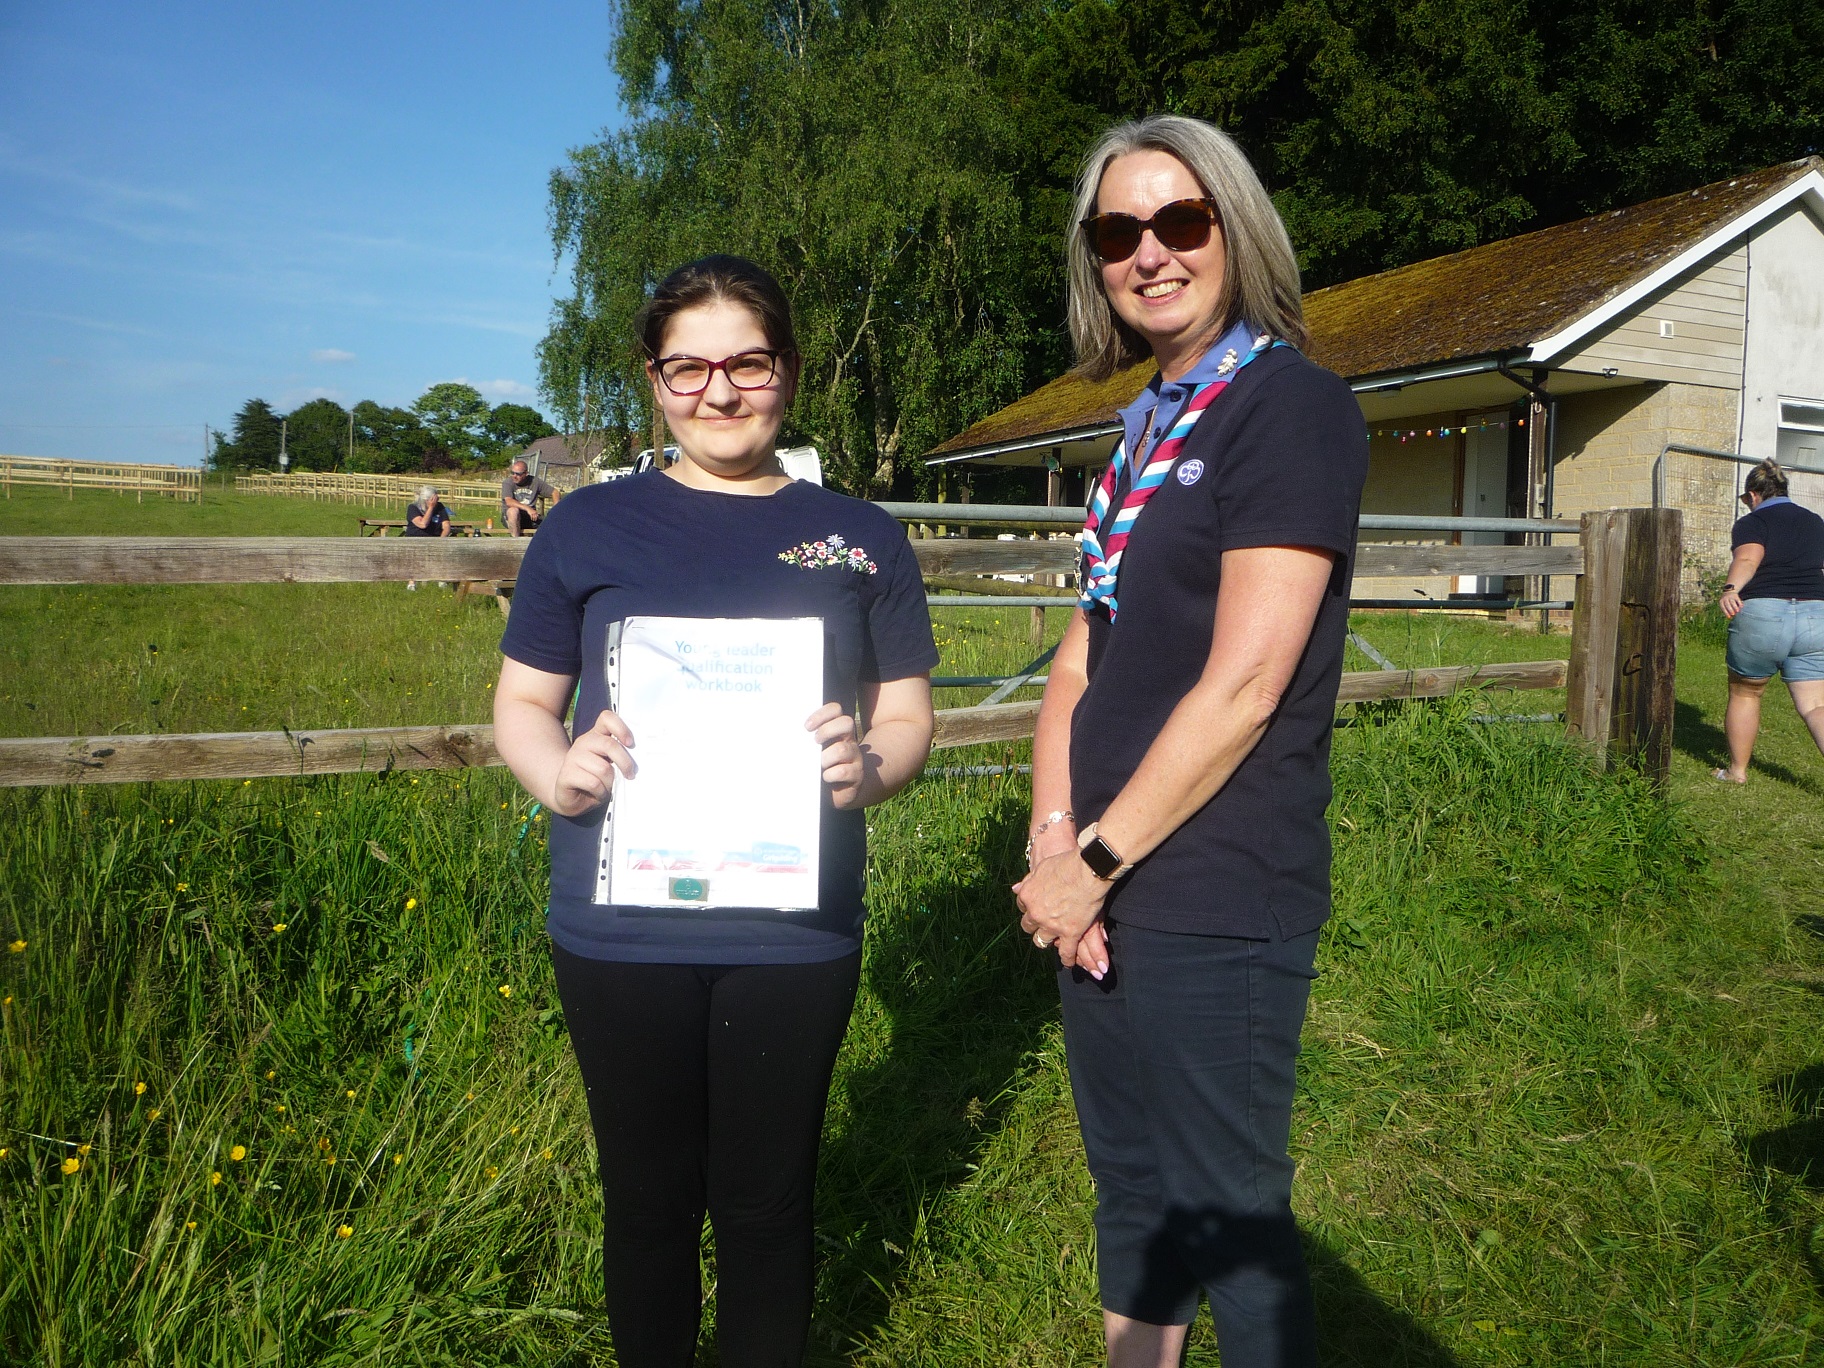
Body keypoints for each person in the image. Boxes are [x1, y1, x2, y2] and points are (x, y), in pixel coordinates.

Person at [491, 254, 937, 1368]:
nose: (720, 392)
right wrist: (558, 773)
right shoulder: (585, 528)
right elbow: (523, 705)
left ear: (790, 370)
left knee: (766, 1203)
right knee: (645, 1202)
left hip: (792, 927)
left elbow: (907, 718)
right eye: (687, 368)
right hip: (618, 923)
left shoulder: (862, 536)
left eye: (748, 363)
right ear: (653, 380)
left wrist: (869, 767)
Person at [1013, 115, 1368, 1368]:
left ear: (1235, 227)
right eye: (1119, 232)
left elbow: (1248, 684)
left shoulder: (1289, 407)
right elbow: (1078, 663)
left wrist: (1095, 863)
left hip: (1213, 879)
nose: (1149, 252)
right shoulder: (1144, 427)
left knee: (1228, 1214)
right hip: (1097, 875)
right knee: (1131, 1186)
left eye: (1179, 220)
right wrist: (1055, 845)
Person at [1714, 458, 1824, 782]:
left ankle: (1737, 772)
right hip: (1815, 615)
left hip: (1765, 613)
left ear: (1753, 495)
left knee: (1746, 693)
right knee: (1815, 704)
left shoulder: (1753, 521)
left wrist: (1731, 589)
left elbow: (1748, 558)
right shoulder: (1814, 521)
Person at [501, 457, 558, 535]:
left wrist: (555, 510)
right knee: (513, 511)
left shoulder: (535, 482)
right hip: (511, 517)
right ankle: (515, 540)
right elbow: (509, 501)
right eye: (512, 473)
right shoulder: (508, 483)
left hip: (530, 516)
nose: (514, 476)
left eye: (518, 474)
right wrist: (527, 508)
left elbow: (555, 492)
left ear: (526, 473)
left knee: (553, 524)